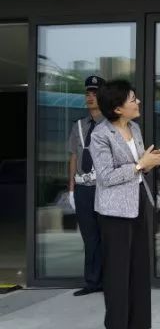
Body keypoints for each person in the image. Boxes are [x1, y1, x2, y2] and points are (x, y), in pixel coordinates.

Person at [90, 80, 160, 329]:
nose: (137, 102)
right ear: (117, 108)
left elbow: (138, 168)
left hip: (137, 204)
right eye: (132, 99)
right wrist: (139, 165)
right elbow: (106, 176)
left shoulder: (133, 128)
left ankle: (137, 324)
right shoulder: (100, 135)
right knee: (117, 272)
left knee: (138, 268)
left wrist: (150, 162)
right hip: (114, 210)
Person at [67, 75, 105, 297]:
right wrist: (71, 188)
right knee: (89, 237)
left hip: (104, 187)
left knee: (107, 236)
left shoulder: (111, 125)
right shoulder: (79, 126)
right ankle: (92, 281)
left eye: (95, 93)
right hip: (83, 188)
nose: (90, 97)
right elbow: (73, 157)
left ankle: (110, 280)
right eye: (87, 94)